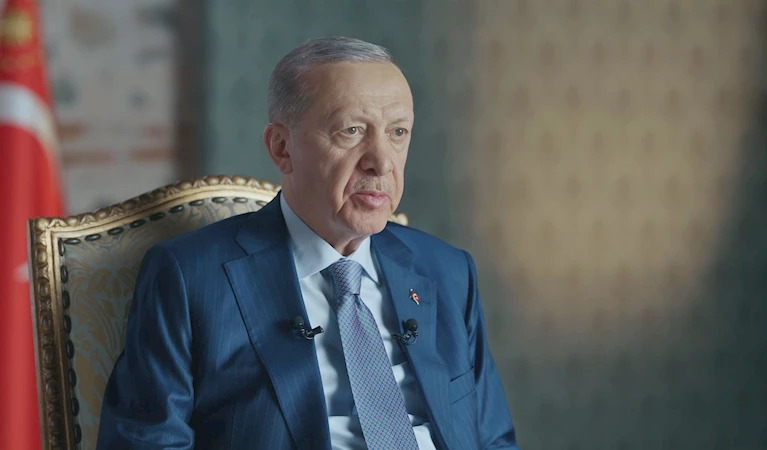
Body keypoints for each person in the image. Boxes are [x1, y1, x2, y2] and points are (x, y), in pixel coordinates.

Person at [97, 36, 517, 450]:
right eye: (352, 131)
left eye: (398, 132)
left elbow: (493, 440)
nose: (382, 162)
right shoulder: (189, 276)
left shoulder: (446, 270)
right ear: (282, 148)